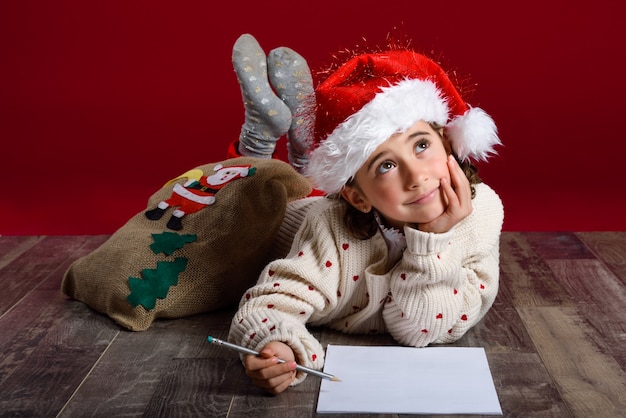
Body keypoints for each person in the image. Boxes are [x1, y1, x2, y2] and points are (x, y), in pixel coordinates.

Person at [227, 34, 504, 395]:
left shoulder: (482, 212)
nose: (417, 177)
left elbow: (421, 328)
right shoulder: (329, 226)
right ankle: (259, 141)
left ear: (448, 143)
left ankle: (302, 141)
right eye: (386, 165)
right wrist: (277, 343)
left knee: (300, 178)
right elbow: (265, 304)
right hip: (280, 217)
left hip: (340, 194)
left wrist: (432, 241)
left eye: (421, 145)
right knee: (252, 195)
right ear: (356, 197)